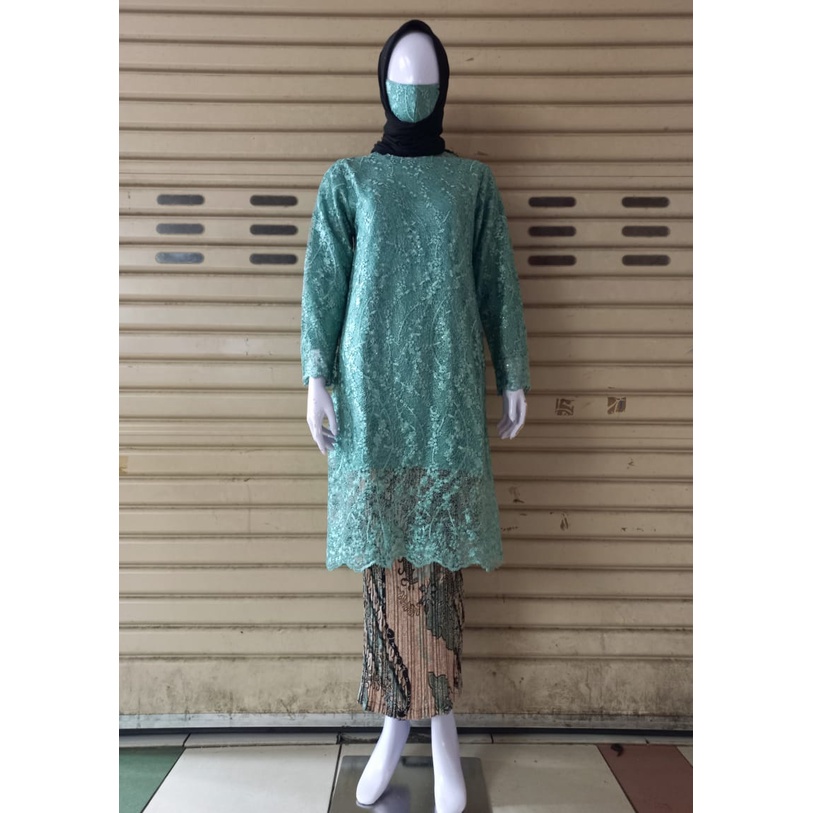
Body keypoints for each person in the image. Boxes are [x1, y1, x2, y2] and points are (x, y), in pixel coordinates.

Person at [300, 18, 531, 813]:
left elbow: (497, 283)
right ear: (381, 84)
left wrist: (513, 372)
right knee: (383, 567)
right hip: (369, 399)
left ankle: (442, 731)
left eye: (425, 76)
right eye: (402, 75)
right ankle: (394, 727)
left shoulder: (471, 184)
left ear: (443, 89)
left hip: (446, 398)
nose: (413, 87)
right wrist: (315, 376)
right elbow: (324, 284)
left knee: (439, 570)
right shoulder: (349, 181)